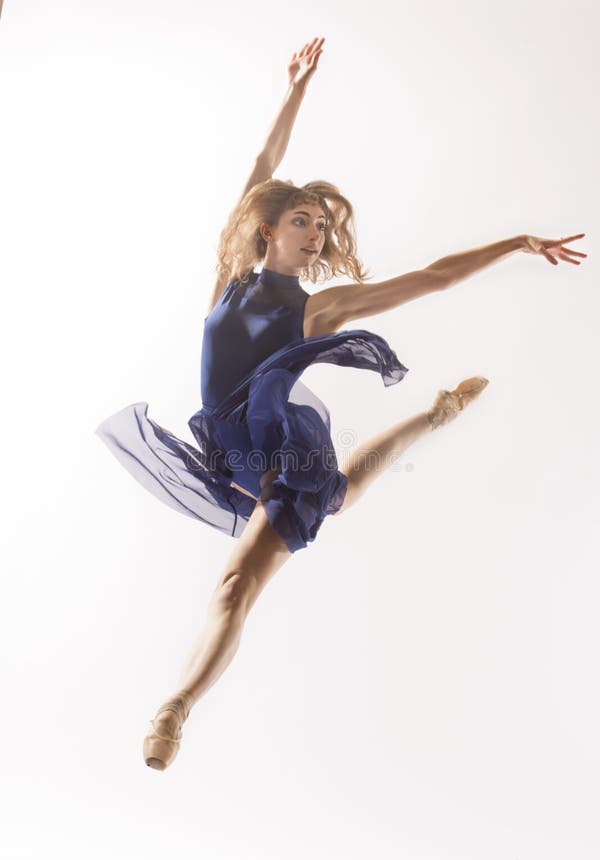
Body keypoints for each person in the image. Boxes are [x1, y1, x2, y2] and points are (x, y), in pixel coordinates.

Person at [95, 37, 587, 770]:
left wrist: (515, 242)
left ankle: (176, 706)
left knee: (238, 581)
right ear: (268, 229)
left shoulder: (322, 309)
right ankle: (438, 414)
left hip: (278, 439)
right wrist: (295, 89)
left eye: (322, 226)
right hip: (227, 442)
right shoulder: (229, 279)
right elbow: (261, 166)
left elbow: (433, 278)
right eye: (303, 221)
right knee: (342, 498)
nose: (316, 233)